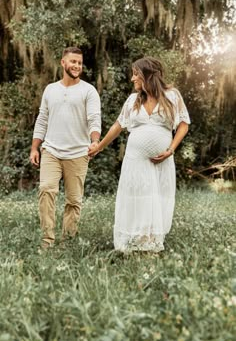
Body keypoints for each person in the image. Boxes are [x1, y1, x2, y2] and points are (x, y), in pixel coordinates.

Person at [88, 56, 190, 253]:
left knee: (155, 197)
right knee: (138, 197)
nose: (132, 79)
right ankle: (132, 241)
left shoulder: (172, 95)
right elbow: (118, 126)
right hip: (135, 160)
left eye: (136, 74)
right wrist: (99, 146)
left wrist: (171, 149)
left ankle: (150, 242)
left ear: (148, 75)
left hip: (161, 161)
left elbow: (184, 124)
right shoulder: (132, 100)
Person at [30, 46, 101, 248]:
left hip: (78, 153)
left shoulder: (89, 91)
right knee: (46, 190)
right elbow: (42, 119)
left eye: (79, 63)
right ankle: (47, 241)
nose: (77, 66)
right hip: (51, 150)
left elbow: (94, 119)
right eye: (73, 62)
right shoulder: (51, 90)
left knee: (73, 200)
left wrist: (95, 141)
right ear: (63, 63)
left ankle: (67, 242)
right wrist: (35, 147)